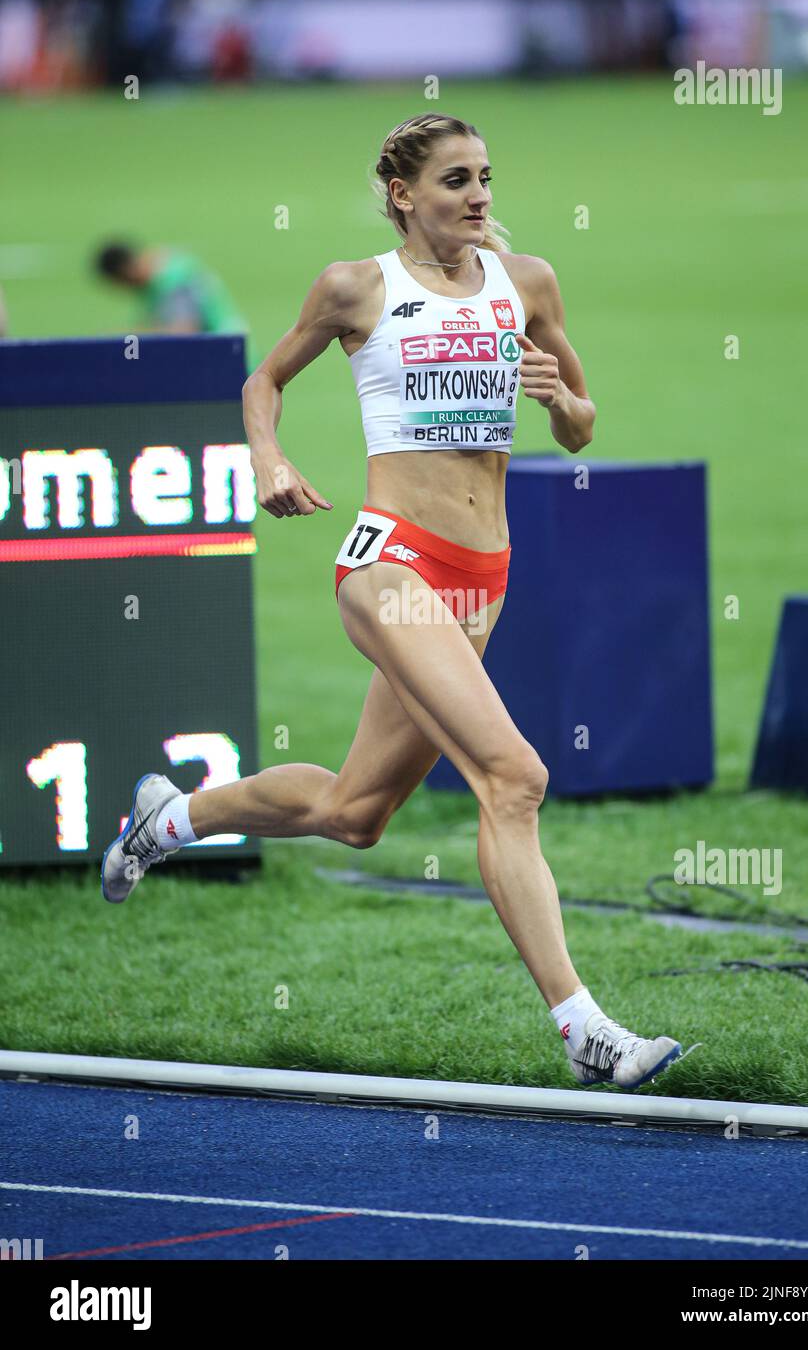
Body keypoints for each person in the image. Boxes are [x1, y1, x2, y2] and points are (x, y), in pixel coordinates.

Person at [101, 114, 683, 1092]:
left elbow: (580, 426)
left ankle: (166, 819)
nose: (479, 194)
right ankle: (584, 1029)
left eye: (486, 176)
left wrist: (555, 398)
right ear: (403, 194)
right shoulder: (355, 287)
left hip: (481, 576)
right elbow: (262, 381)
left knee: (353, 810)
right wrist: (269, 458)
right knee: (514, 777)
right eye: (455, 179)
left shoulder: (525, 282)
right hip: (391, 564)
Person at [93, 241, 251, 365]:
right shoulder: (166, 271)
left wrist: (126, 336)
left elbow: (185, 331)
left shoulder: (173, 281)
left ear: (124, 272)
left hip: (229, 362)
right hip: (228, 357)